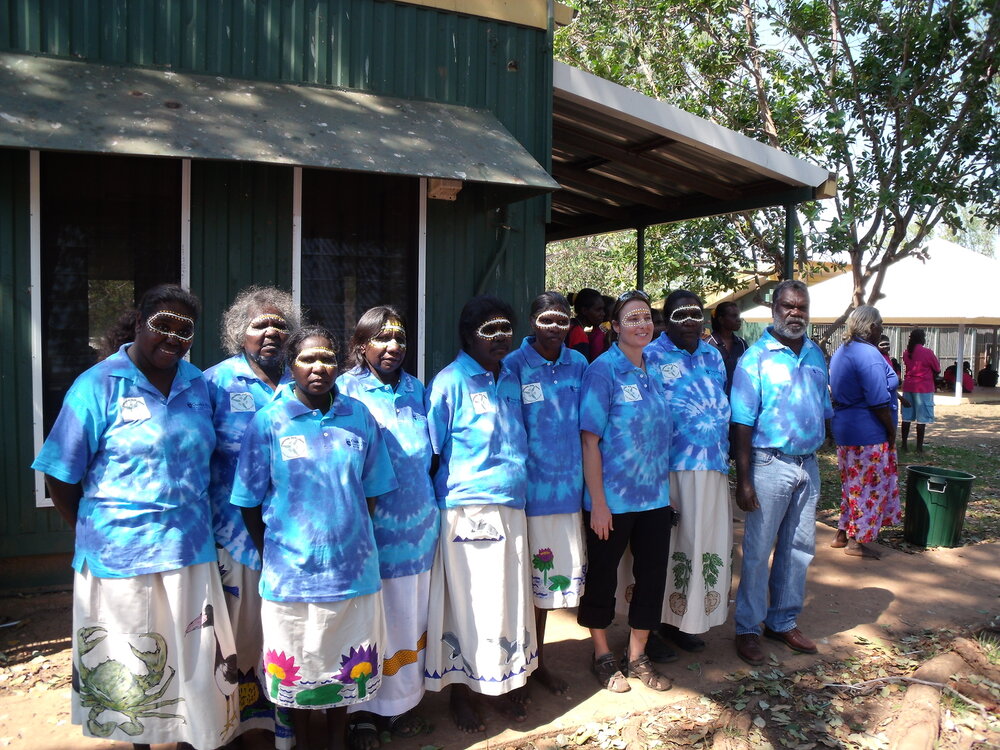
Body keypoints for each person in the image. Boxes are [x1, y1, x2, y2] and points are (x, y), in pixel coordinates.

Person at [32, 284, 237, 750]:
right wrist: (93, 531)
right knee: (128, 657)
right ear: (139, 321)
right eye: (161, 324)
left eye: (184, 329)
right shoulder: (98, 385)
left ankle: (193, 739)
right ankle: (139, 743)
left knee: (192, 655)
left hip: (189, 547)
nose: (172, 336)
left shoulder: (198, 385)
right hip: (119, 554)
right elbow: (61, 475)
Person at [231, 327, 396, 750]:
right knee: (301, 671)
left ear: (339, 363)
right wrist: (272, 551)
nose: (318, 367)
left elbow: (372, 490)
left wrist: (349, 537)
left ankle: (337, 741)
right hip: (291, 577)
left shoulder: (358, 416)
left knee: (346, 669)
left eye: (326, 358)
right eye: (307, 359)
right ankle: (304, 743)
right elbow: (248, 502)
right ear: (291, 365)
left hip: (352, 574)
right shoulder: (269, 421)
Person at [422, 296, 536, 732]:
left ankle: (503, 684)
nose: (500, 336)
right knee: (468, 606)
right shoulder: (450, 382)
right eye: (489, 329)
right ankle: (463, 693)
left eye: (505, 327)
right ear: (468, 335)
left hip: (512, 506)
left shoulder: (511, 376)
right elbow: (433, 453)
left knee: (506, 602)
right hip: (467, 509)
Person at [336, 307, 438, 748]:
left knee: (407, 617)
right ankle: (361, 714)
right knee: (368, 623)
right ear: (361, 345)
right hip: (369, 534)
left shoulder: (417, 389)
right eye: (381, 338)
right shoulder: (343, 391)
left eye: (399, 338)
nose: (393, 346)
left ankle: (399, 705)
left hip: (418, 530)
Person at [204, 286, 301, 744]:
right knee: (233, 643)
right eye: (259, 324)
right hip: (233, 537)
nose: (270, 332)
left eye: (279, 325)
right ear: (238, 333)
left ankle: (279, 730)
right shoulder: (215, 383)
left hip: (289, 538)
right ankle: (228, 730)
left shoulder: (302, 384)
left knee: (278, 640)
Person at [730, 280, 832, 667]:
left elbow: (824, 407)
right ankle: (747, 629)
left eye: (802, 307)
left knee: (799, 548)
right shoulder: (754, 358)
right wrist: (743, 479)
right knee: (757, 551)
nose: (795, 313)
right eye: (788, 306)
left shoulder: (814, 353)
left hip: (808, 464)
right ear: (774, 309)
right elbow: (740, 422)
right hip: (768, 463)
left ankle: (783, 621)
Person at [577, 290, 673, 693]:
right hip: (612, 500)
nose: (642, 324)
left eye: (646, 317)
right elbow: (589, 442)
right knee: (603, 577)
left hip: (654, 497)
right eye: (632, 318)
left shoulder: (655, 367)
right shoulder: (603, 370)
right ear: (615, 326)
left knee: (651, 578)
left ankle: (637, 656)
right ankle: (601, 654)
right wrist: (598, 503)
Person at [503, 292, 588, 696]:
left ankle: (538, 662)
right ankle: (517, 664)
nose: (554, 326)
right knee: (522, 584)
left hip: (568, 492)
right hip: (526, 495)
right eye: (546, 319)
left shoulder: (580, 363)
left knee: (548, 586)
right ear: (532, 322)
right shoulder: (513, 365)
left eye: (561, 319)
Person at [642, 291, 732, 654]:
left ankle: (682, 621)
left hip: (712, 466)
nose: (691, 321)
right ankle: (648, 630)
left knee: (699, 546)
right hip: (669, 468)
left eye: (696, 314)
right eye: (681, 315)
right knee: (663, 550)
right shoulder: (651, 355)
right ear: (667, 319)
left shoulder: (713, 355)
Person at [829, 306, 902, 560]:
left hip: (847, 431)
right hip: (867, 433)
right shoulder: (868, 354)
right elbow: (878, 400)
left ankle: (841, 534)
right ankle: (856, 542)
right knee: (868, 488)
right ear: (871, 327)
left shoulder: (844, 350)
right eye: (880, 324)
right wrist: (891, 431)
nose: (881, 328)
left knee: (852, 486)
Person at [901, 328, 940, 453]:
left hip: (908, 386)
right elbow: (937, 369)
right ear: (922, 339)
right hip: (923, 387)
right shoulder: (927, 352)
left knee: (906, 418)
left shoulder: (907, 353)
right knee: (921, 419)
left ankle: (904, 445)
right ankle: (919, 447)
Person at [706, 301, 749, 396]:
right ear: (721, 319)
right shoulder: (707, 345)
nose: (738, 320)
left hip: (739, 399)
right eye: (734, 316)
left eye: (738, 316)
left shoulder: (742, 344)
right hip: (715, 400)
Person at [567, 288, 607, 362]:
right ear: (584, 311)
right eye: (598, 310)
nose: (603, 314)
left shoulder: (570, 325)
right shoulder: (578, 334)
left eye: (603, 309)